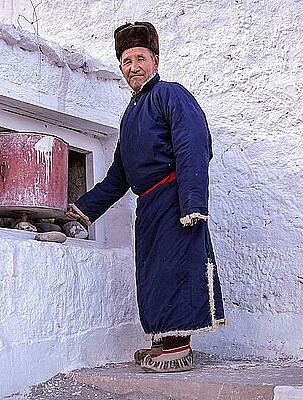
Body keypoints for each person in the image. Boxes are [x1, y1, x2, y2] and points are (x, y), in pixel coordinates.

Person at [66, 21, 226, 373]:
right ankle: (161, 338)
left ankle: (178, 345)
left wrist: (193, 202)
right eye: (126, 61)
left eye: (140, 57)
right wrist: (81, 209)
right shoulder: (129, 115)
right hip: (149, 205)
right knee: (152, 273)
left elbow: (192, 144)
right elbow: (119, 175)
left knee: (175, 268)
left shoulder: (172, 94)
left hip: (174, 198)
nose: (133, 66)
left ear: (155, 60)